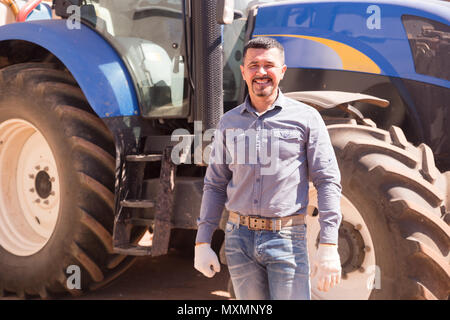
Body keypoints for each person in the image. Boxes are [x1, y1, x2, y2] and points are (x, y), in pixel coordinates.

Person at [194, 37, 342, 300]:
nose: (261, 72)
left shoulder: (306, 119)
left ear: (282, 71)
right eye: (253, 65)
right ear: (243, 71)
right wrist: (203, 241)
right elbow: (215, 184)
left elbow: (327, 180)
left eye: (268, 65)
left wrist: (329, 244)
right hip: (239, 240)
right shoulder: (229, 122)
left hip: (287, 238)